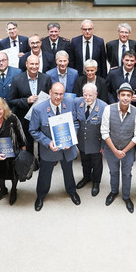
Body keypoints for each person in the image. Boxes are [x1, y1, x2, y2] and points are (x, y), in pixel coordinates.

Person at [28, 82, 81, 212]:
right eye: (55, 93)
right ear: (50, 93)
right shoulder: (38, 109)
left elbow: (75, 122)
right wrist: (47, 142)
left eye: (61, 94)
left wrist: (71, 137)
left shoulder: (69, 104)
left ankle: (72, 191)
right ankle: (41, 196)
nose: (58, 97)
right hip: (49, 149)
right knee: (45, 174)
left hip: (67, 148)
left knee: (68, 172)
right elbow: (33, 130)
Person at [101, 83, 136, 213]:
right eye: (123, 95)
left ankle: (126, 196)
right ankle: (114, 192)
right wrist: (114, 151)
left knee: (126, 174)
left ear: (132, 97)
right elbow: (104, 132)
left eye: (128, 95)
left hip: (128, 150)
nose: (125, 98)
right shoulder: (108, 109)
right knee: (113, 172)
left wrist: (123, 151)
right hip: (111, 149)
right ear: (118, 96)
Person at [73, 83, 108, 197]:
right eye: (85, 95)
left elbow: (107, 128)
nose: (87, 98)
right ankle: (86, 177)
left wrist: (103, 145)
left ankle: (96, 182)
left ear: (96, 94)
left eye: (90, 95)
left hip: (96, 141)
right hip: (82, 140)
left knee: (97, 164)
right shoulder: (77, 102)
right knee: (85, 161)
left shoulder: (103, 107)